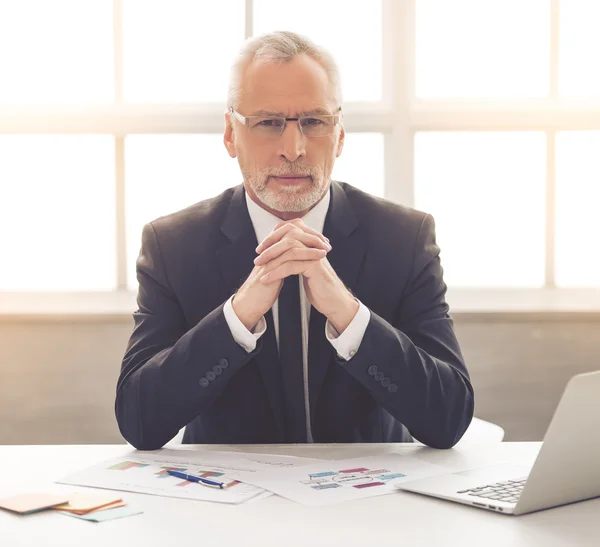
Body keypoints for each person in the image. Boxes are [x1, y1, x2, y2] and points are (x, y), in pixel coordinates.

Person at [115, 31, 474, 451]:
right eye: (268, 123)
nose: (293, 148)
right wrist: (238, 314)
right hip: (227, 507)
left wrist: (347, 312)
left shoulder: (403, 239)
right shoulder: (173, 245)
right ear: (231, 134)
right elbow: (140, 421)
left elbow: (448, 419)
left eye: (314, 121)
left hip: (368, 508)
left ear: (339, 134)